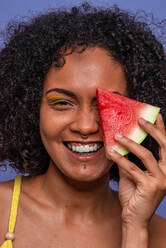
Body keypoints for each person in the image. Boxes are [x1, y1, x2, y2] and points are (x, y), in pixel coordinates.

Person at [0, 3, 166, 247]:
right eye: (63, 103)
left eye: (105, 106)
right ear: (30, 109)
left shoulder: (159, 235)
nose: (86, 127)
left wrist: (135, 228)